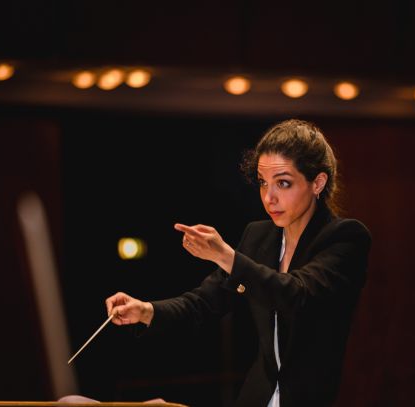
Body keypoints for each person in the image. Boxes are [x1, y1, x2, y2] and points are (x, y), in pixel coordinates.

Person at [105, 119, 372, 406]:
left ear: (317, 182)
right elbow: (204, 302)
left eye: (283, 183)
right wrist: (146, 310)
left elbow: (295, 294)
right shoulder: (258, 237)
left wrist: (225, 255)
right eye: (263, 182)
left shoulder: (345, 238)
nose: (269, 197)